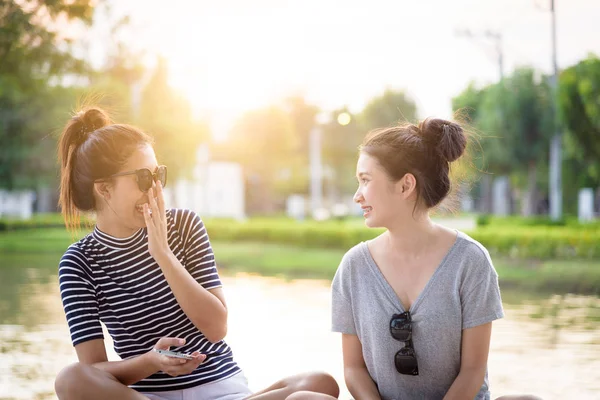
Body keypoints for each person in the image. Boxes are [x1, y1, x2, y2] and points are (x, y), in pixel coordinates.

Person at [54, 107, 340, 400]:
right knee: (70, 379)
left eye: (157, 175)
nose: (154, 189)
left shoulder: (184, 224)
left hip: (224, 390)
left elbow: (217, 328)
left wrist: (163, 254)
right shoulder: (79, 262)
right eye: (142, 178)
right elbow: (94, 372)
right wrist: (152, 361)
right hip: (148, 398)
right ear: (104, 189)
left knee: (319, 384)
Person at [330, 118, 542, 400]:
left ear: (405, 186)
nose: (358, 196)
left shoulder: (470, 261)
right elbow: (354, 369)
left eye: (366, 180)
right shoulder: (353, 267)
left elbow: (473, 370)